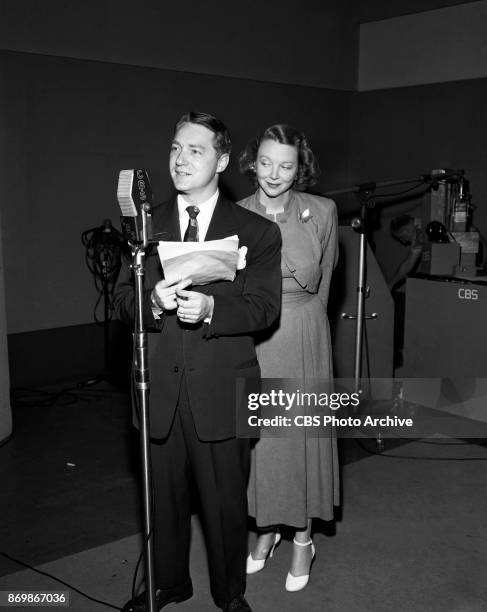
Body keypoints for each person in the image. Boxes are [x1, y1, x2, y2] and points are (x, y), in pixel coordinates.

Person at [114, 112, 282, 612]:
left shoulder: (254, 230)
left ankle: (230, 594)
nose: (181, 160)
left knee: (225, 503)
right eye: (174, 149)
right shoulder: (143, 228)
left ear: (222, 160)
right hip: (158, 387)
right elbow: (122, 299)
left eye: (195, 150)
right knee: (161, 500)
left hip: (220, 385)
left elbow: (264, 307)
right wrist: (151, 302)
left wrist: (212, 308)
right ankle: (166, 583)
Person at [238, 124, 339, 592]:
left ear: (301, 168)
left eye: (286, 164)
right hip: (254, 338)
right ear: (251, 162)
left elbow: (325, 284)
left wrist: (313, 344)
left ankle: (302, 536)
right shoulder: (235, 213)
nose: (274, 173)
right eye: (265, 162)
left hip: (301, 334)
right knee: (260, 441)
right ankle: (265, 528)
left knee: (300, 438)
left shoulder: (321, 210)